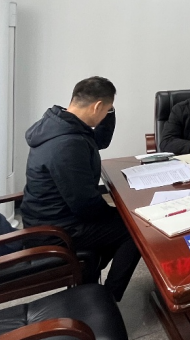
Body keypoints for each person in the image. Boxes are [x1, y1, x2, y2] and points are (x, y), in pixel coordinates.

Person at [20, 77, 140, 302]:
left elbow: (100, 140)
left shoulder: (60, 123)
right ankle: (108, 297)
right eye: (106, 109)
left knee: (122, 219)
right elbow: (85, 205)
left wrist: (110, 111)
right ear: (97, 106)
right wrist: (119, 214)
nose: (106, 114)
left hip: (47, 216)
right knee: (135, 228)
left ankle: (89, 276)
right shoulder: (67, 144)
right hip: (56, 230)